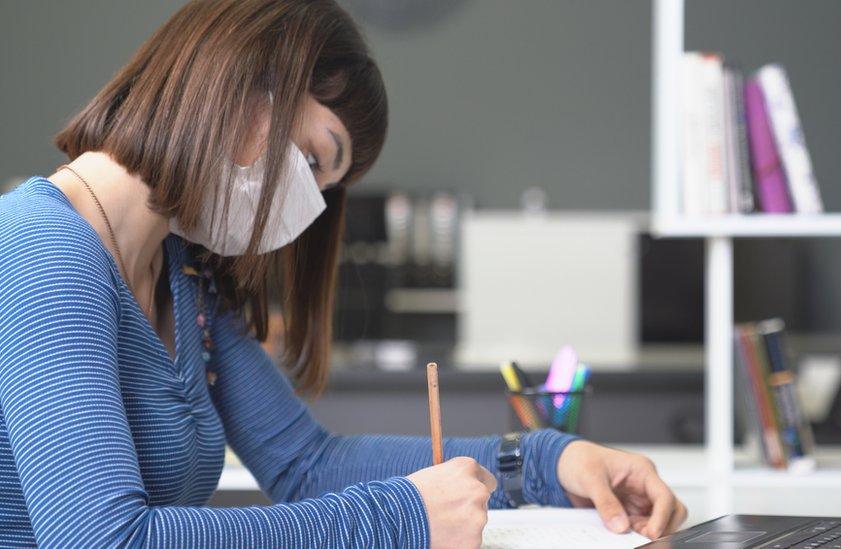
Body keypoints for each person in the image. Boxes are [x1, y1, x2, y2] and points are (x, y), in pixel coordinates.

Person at [0, 1, 687, 547]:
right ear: (240, 78)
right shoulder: (41, 250)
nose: (302, 210)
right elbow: (102, 539)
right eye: (310, 159)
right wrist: (404, 519)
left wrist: (545, 461)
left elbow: (308, 464)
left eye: (324, 188)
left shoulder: (184, 273)